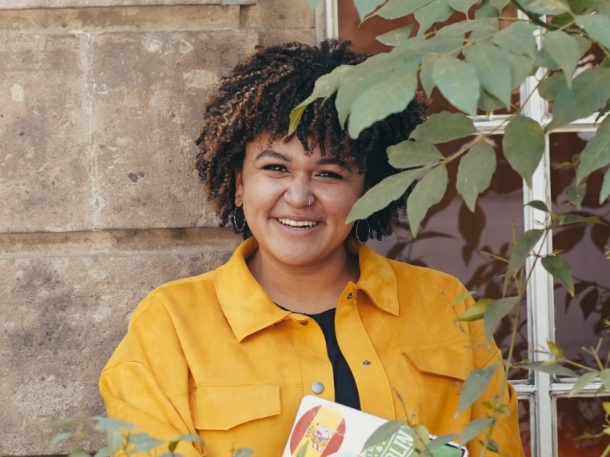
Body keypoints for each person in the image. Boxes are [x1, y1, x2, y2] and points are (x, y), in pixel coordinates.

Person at [99, 40, 525, 457]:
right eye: (276, 168)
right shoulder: (171, 325)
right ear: (239, 181)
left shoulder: (445, 305)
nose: (299, 197)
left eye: (329, 174)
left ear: (368, 189)